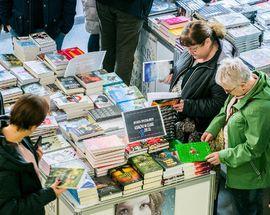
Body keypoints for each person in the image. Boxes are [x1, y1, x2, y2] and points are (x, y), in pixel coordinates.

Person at [202, 58, 270, 215]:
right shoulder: (241, 87)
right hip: (237, 166)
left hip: (251, 175)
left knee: (247, 210)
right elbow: (227, 108)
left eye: (228, 90)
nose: (226, 93)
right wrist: (213, 128)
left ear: (243, 85)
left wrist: (223, 156)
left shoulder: (261, 108)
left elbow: (253, 149)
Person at [163, 20, 237, 143]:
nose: (190, 52)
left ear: (207, 42)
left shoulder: (221, 69)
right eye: (187, 49)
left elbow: (220, 104)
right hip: (178, 113)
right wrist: (174, 71)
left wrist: (188, 106)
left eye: (194, 49)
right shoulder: (194, 48)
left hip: (197, 127)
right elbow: (185, 65)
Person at [0, 94, 66, 215]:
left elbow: (21, 165)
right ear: (33, 127)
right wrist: (50, 193)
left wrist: (35, 159)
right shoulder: (4, 165)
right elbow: (10, 210)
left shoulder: (17, 134)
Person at [96, 0, 154, 85]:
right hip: (131, 8)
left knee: (107, 49)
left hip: (104, 4)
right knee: (124, 55)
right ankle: (119, 94)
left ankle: (104, 90)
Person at [0, 0, 77, 50]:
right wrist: (7, 23)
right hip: (20, 29)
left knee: (51, 72)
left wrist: (65, 27)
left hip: (53, 31)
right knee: (23, 71)